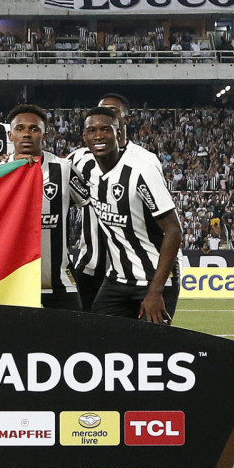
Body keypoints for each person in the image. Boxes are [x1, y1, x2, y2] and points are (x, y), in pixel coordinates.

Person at [80, 107, 182, 323]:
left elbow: (174, 230)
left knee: (150, 344)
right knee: (97, 339)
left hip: (153, 280)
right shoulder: (84, 167)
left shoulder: (141, 170)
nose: (98, 136)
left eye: (105, 129)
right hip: (116, 280)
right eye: (92, 131)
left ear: (118, 133)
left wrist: (155, 291)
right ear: (84, 136)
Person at [68, 93, 159, 312]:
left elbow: (162, 219)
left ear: (125, 120)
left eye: (113, 112)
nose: (105, 116)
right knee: (85, 329)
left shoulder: (145, 161)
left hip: (134, 271)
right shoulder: (79, 158)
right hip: (90, 265)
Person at [7, 104, 86, 311]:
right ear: (10, 135)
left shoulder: (64, 170)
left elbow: (91, 206)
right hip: (11, 286)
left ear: (45, 134)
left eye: (34, 129)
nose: (26, 134)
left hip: (59, 285)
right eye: (20, 129)